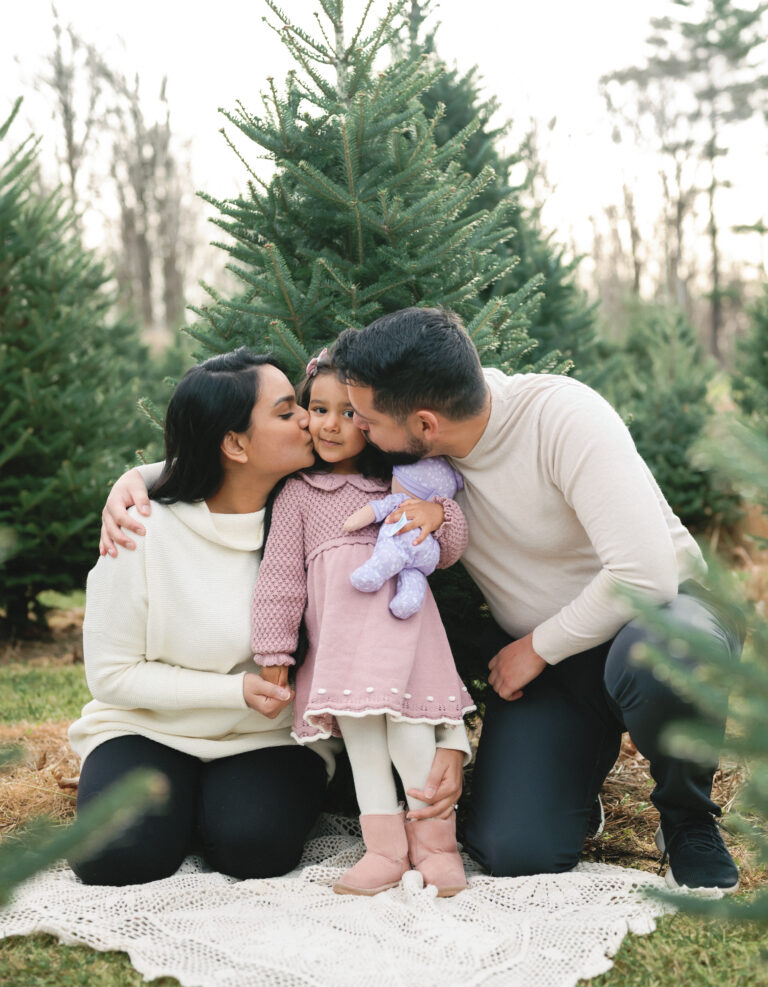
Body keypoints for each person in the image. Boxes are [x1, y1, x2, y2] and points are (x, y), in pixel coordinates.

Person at [328, 306, 743, 893]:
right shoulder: (417, 462)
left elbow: (646, 575)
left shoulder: (562, 416)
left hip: (663, 619)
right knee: (515, 848)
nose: (356, 428)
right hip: (556, 667)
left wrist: (538, 648)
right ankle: (574, 789)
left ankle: (687, 821)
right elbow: (268, 454)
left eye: (365, 418)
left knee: (665, 653)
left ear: (424, 423)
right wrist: (151, 480)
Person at [90, 347, 469, 887]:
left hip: (263, 738)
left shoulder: (316, 503)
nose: (319, 424)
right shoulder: (139, 528)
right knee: (119, 858)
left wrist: (450, 737)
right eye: (292, 411)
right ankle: (174, 808)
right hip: (149, 730)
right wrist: (237, 690)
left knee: (255, 849)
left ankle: (222, 810)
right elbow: (109, 675)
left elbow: (411, 625)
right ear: (236, 444)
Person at [250, 350, 474, 897]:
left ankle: (437, 847)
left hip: (406, 643)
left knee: (412, 741)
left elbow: (448, 550)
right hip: (344, 651)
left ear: (371, 422)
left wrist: (440, 515)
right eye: (317, 409)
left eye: (348, 413)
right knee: (366, 749)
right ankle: (384, 851)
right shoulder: (299, 497)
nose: (330, 424)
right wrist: (274, 656)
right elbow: (280, 582)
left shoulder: (400, 487)